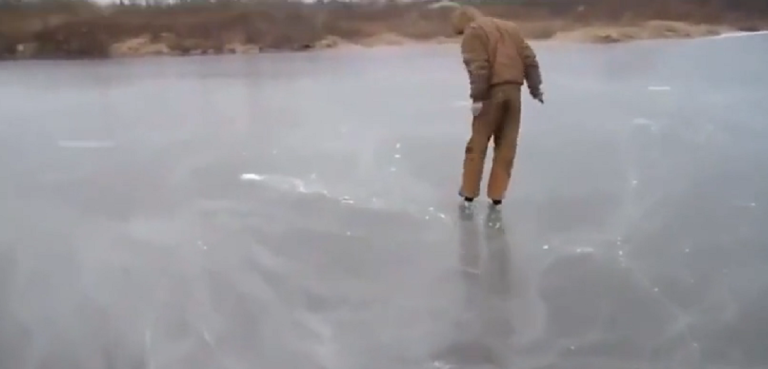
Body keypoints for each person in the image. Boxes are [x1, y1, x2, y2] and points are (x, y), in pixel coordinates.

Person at [452, 6, 544, 206]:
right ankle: (497, 194)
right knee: (507, 145)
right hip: (514, 93)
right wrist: (535, 88)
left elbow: (479, 67)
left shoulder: (473, 32)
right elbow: (530, 59)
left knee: (478, 143)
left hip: (491, 94)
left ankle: (469, 192)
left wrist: (477, 98)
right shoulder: (510, 28)